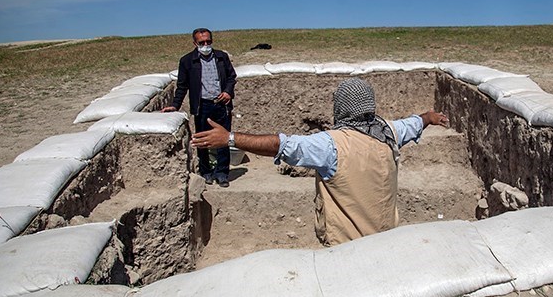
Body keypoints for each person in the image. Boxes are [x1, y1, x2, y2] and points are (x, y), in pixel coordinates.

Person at [192, 77, 449, 245]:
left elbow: (281, 145)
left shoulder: (331, 145)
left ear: (342, 108)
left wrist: (231, 138)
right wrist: (429, 116)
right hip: (387, 238)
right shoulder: (390, 131)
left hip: (348, 245)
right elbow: (414, 123)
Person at [163, 28, 237, 187]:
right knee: (203, 139)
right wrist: (175, 105)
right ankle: (206, 172)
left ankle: (222, 173)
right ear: (195, 43)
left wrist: (228, 92)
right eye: (202, 43)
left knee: (224, 139)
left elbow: (232, 77)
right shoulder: (187, 61)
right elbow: (182, 86)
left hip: (221, 104)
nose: (206, 45)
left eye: (208, 42)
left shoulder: (221, 58)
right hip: (202, 105)